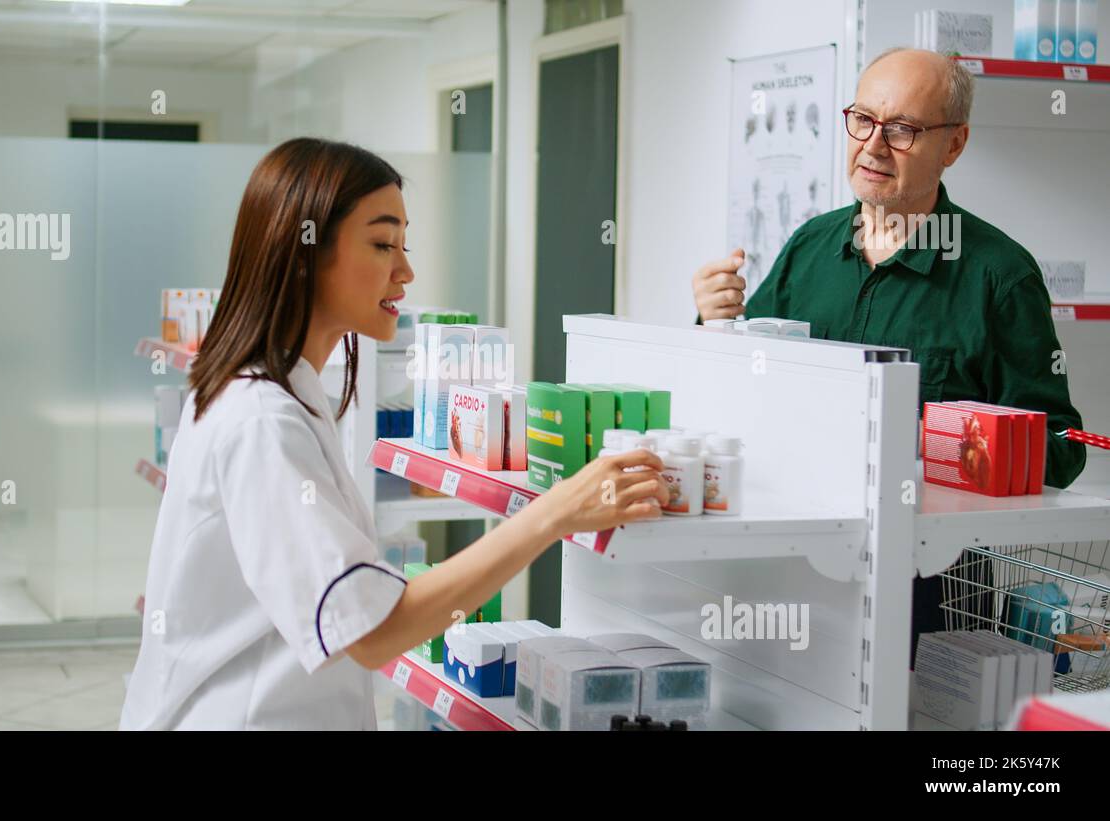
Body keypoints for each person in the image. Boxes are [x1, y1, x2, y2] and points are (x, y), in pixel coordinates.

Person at [120, 138, 668, 730]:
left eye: (404, 245)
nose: (405, 271)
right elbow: (377, 633)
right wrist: (553, 514)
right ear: (302, 252)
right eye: (383, 244)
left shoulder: (288, 396)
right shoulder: (261, 420)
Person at [690, 47, 1086, 661]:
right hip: (794, 568)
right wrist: (714, 323)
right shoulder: (809, 250)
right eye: (863, 120)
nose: (873, 145)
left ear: (952, 145)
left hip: (928, 592)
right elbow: (741, 388)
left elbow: (1061, 448)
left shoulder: (999, 277)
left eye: (902, 129)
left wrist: (955, 448)